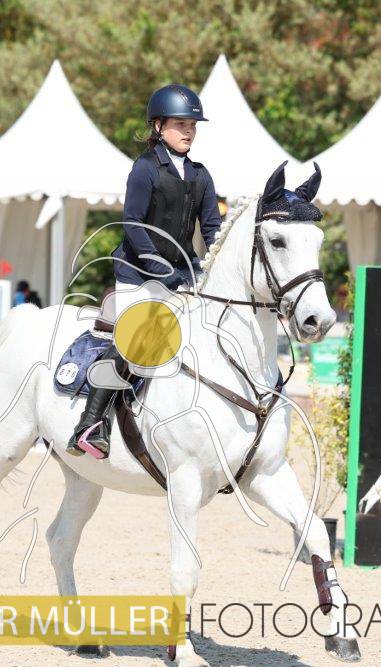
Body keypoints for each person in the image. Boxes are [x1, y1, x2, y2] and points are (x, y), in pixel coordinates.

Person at [67, 82, 221, 459]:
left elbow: (212, 228)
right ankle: (89, 423)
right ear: (158, 126)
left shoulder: (201, 174)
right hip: (137, 273)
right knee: (137, 339)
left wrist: (210, 266)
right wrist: (158, 266)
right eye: (180, 124)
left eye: (192, 125)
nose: (188, 131)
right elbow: (132, 224)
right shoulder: (145, 169)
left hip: (181, 274)